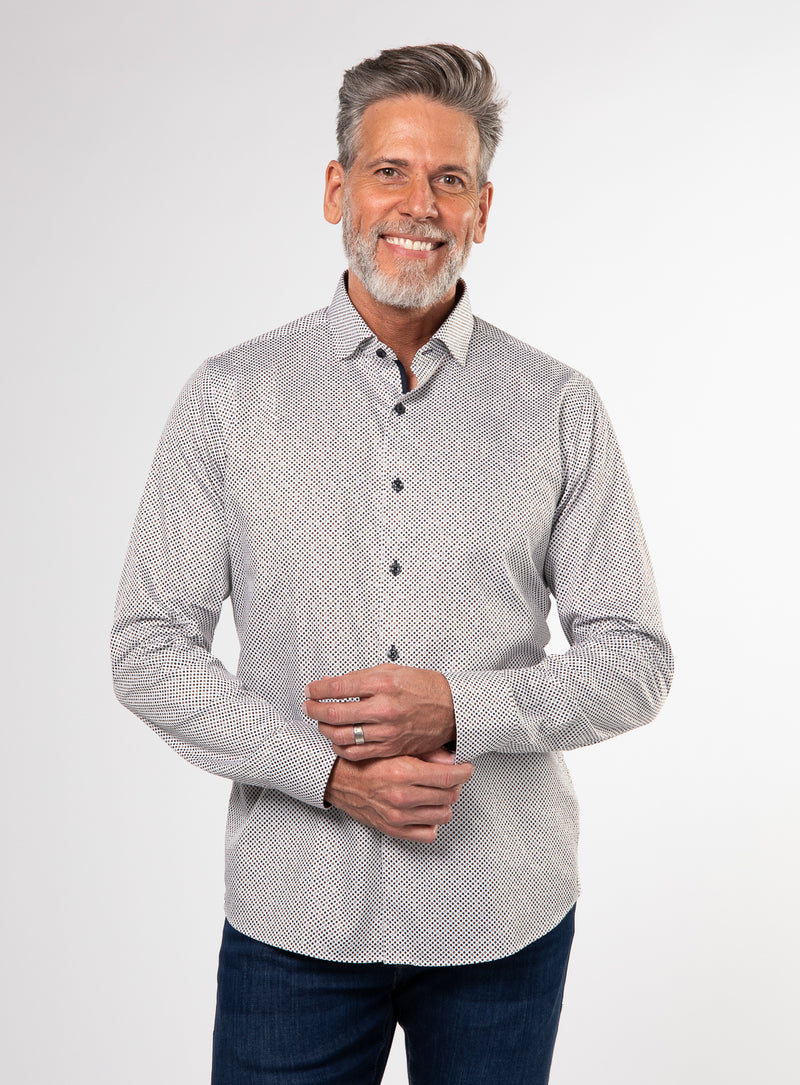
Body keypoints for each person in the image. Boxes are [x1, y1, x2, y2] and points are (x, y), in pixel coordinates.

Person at [111, 43, 673, 1085]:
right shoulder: (229, 398)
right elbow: (147, 647)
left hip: (502, 916)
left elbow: (634, 659)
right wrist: (324, 774)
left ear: (482, 209)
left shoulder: (558, 406)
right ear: (338, 189)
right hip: (295, 920)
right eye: (389, 171)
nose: (419, 204)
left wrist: (458, 707)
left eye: (449, 178)